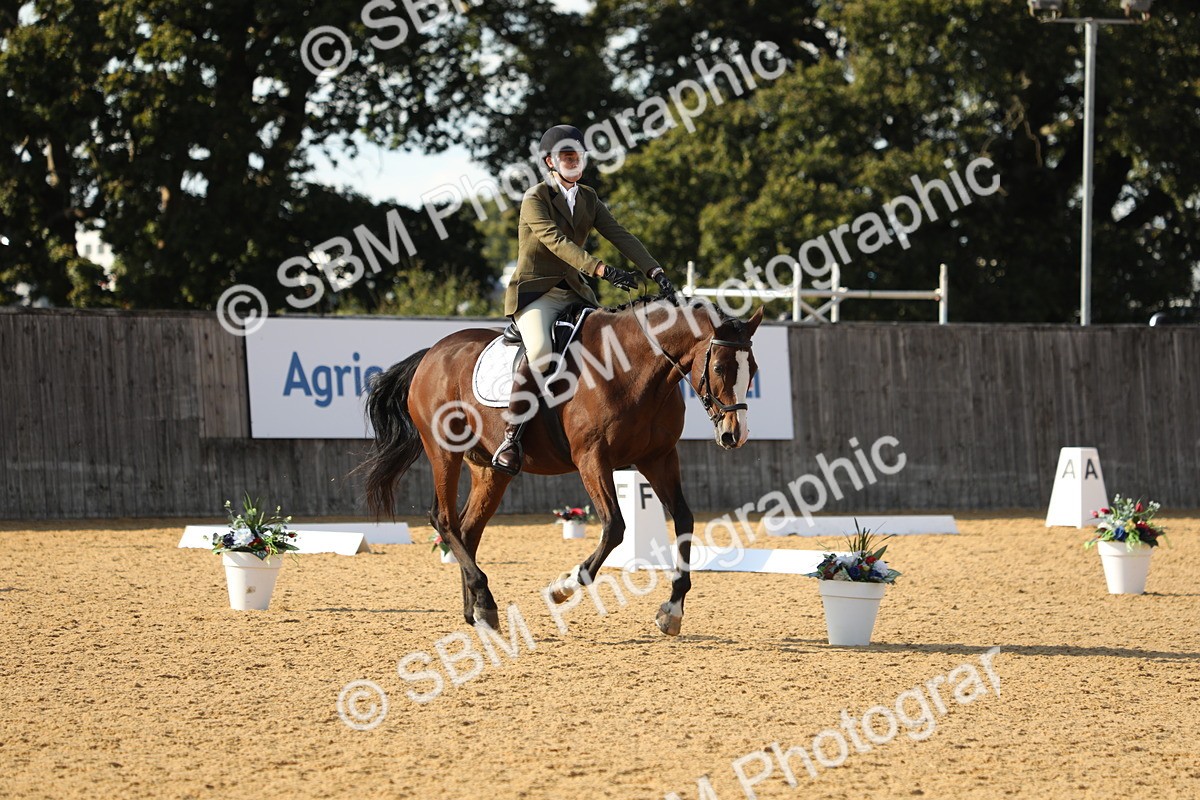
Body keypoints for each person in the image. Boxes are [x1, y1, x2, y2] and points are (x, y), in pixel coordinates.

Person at [491, 124, 675, 475]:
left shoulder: (588, 197)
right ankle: (511, 438)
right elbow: (557, 242)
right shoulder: (534, 199)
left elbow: (620, 234)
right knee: (543, 352)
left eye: (578, 155)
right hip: (536, 292)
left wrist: (655, 272)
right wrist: (602, 269)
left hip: (575, 290)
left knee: (606, 346)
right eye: (567, 156)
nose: (574, 161)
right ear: (550, 161)